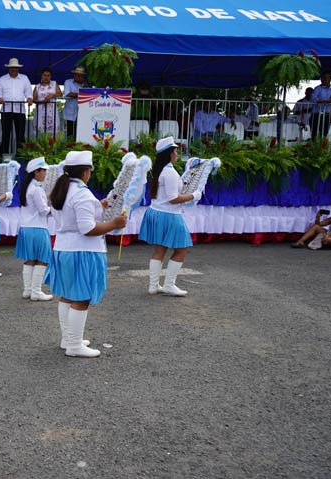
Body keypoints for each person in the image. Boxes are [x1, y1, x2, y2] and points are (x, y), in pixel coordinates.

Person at [43, 151, 127, 357]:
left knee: (67, 295)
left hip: (64, 248)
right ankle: (74, 345)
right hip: (82, 250)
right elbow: (87, 228)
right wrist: (114, 224)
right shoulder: (82, 193)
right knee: (81, 298)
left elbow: (76, 216)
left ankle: (68, 339)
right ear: (85, 172)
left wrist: (99, 205)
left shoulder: (64, 189)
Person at [138, 136, 201, 297]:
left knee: (160, 249)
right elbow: (173, 199)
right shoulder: (170, 172)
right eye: (175, 151)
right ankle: (169, 285)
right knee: (181, 249)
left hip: (156, 212)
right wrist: (194, 195)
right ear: (169, 154)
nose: (177, 154)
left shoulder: (159, 169)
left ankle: (153, 286)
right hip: (169, 215)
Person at [15, 157, 53, 301]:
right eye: (43, 171)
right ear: (36, 172)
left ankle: (28, 290)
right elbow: (44, 211)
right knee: (42, 259)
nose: (45, 174)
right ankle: (36, 291)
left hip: (26, 227)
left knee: (30, 259)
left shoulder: (28, 187)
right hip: (38, 228)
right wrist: (55, 209)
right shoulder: (37, 189)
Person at [0, 58, 33, 157]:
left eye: (15, 67)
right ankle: (3, 155)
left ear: (18, 68)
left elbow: (28, 91)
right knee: (5, 133)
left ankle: (21, 155)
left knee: (20, 134)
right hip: (6, 109)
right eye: (12, 67)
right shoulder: (2, 79)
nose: (14, 69)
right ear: (9, 68)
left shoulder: (24, 78)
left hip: (20, 110)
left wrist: (29, 98)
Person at [33, 67, 62, 136]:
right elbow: (33, 99)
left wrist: (53, 95)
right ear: (41, 76)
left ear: (50, 76)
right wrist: (43, 101)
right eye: (44, 75)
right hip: (40, 112)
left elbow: (60, 94)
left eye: (48, 76)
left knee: (52, 133)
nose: (46, 77)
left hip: (52, 111)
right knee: (40, 133)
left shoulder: (54, 84)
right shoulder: (37, 87)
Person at [310, 71, 331, 140]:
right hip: (316, 114)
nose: (322, 79)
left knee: (324, 133)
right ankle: (314, 146)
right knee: (314, 134)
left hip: (327, 114)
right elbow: (313, 99)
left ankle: (322, 146)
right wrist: (327, 101)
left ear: (330, 79)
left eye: (325, 78)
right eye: (322, 78)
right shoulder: (318, 88)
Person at [63, 66, 88, 139]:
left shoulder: (85, 84)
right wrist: (81, 93)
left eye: (80, 75)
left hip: (82, 112)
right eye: (77, 75)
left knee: (80, 131)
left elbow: (88, 95)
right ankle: (70, 144)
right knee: (70, 131)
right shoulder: (68, 82)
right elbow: (68, 93)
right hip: (71, 111)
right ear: (74, 75)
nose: (78, 76)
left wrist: (84, 87)